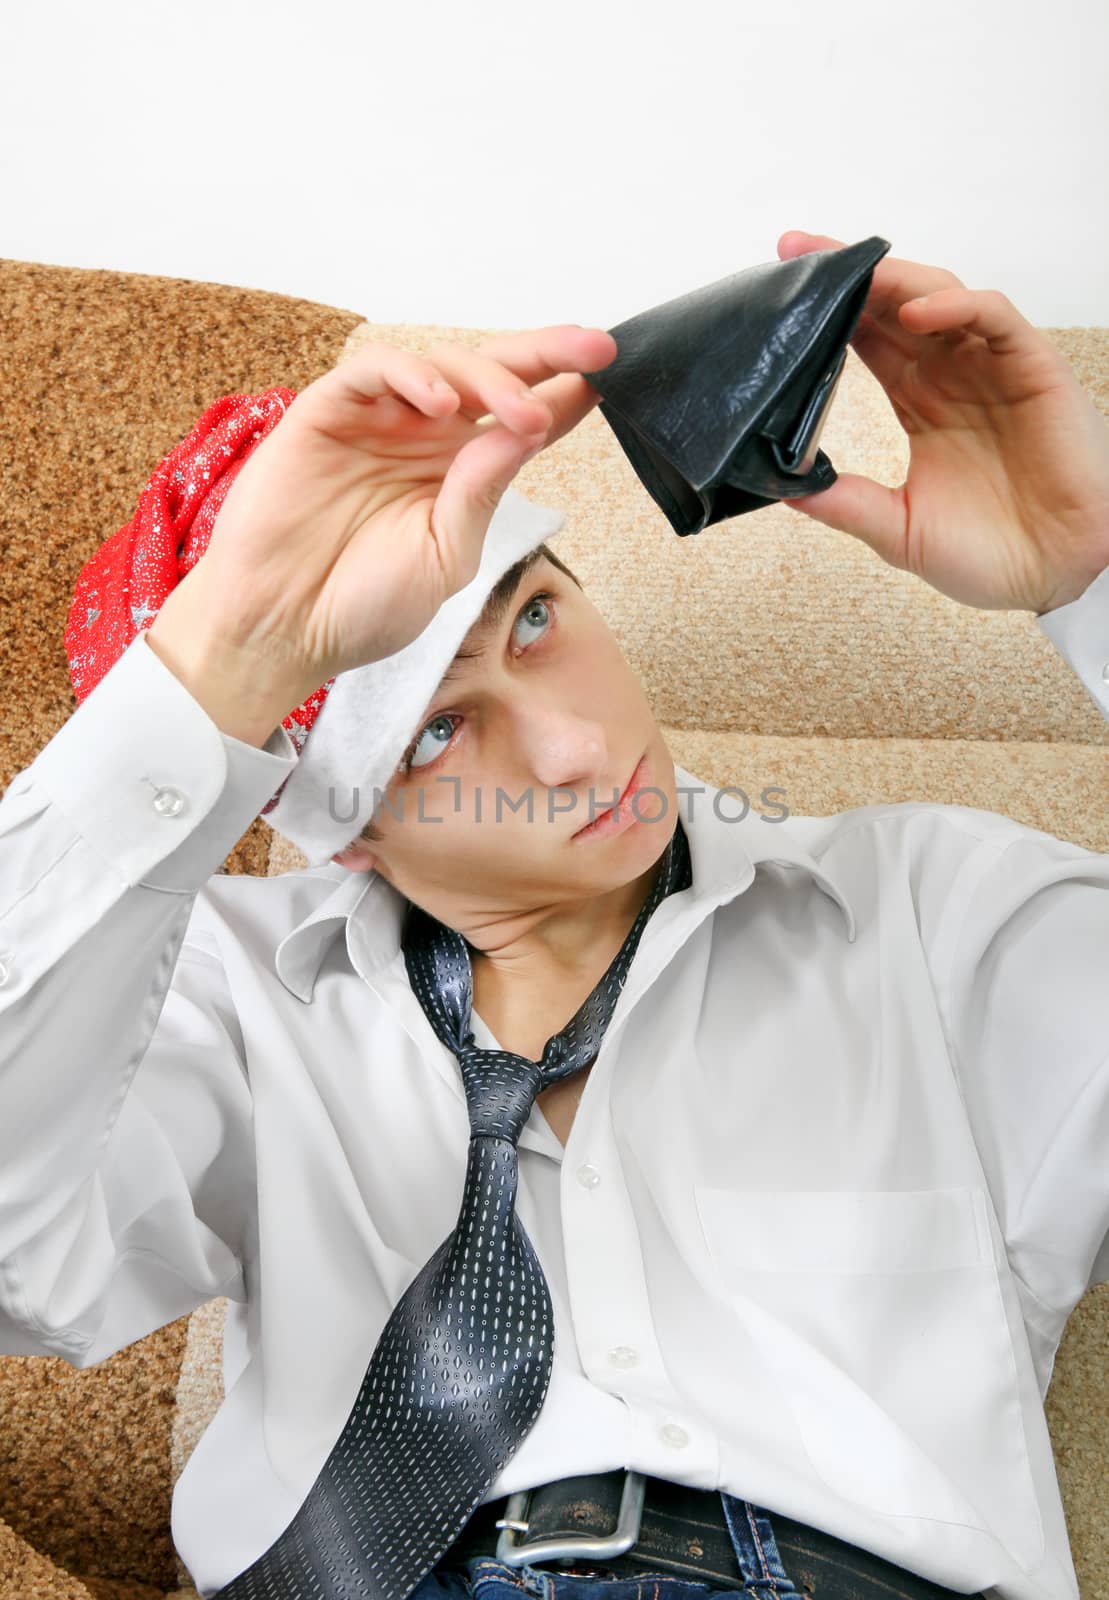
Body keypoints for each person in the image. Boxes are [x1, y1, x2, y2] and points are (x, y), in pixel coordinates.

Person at [0, 229, 1106, 1600]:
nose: (578, 753)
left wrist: (1092, 574)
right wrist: (232, 652)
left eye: (534, 621)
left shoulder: (942, 913)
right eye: (435, 734)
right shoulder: (209, 1001)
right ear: (336, 832)